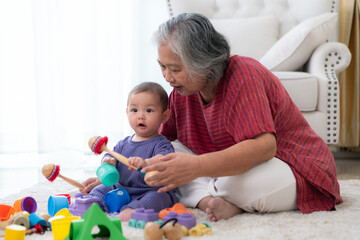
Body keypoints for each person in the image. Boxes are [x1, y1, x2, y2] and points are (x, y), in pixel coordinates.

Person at [138, 12, 343, 222]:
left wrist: (194, 167)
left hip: (291, 165)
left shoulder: (244, 73)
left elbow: (264, 147)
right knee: (166, 157)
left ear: (204, 64)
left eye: (174, 69)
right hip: (224, 168)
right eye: (162, 66)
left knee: (227, 184)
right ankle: (212, 200)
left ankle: (211, 193)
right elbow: (158, 144)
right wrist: (122, 173)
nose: (167, 77)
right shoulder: (181, 91)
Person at [81, 82, 178, 221]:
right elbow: (110, 155)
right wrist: (108, 162)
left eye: (149, 110)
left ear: (164, 116)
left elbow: (165, 159)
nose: (141, 116)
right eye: (134, 110)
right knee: (99, 190)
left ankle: (132, 211)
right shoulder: (123, 143)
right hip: (121, 189)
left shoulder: (161, 143)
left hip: (147, 191)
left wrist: (146, 163)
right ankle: (94, 205)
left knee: (160, 197)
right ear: (127, 113)